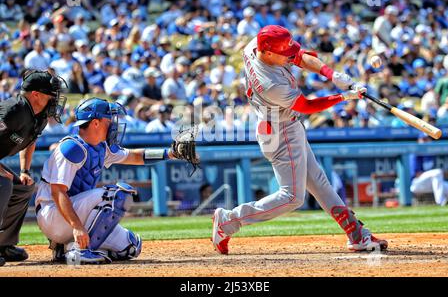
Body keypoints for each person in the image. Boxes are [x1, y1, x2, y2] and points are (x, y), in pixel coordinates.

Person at [212, 25, 388, 255]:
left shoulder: (255, 45)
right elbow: (305, 106)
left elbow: (301, 56)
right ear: (267, 53)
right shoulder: (270, 84)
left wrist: (332, 75)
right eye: (282, 54)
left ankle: (356, 234)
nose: (289, 57)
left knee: (319, 182)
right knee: (292, 197)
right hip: (279, 130)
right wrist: (343, 96)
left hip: (285, 124)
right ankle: (228, 220)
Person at [34, 98, 199, 264]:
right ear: (95, 123)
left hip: (72, 215)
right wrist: (76, 226)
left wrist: (171, 153)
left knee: (131, 246)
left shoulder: (100, 147)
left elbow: (135, 156)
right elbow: (58, 192)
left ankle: (65, 249)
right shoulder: (72, 148)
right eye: (109, 119)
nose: (113, 124)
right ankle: (80, 251)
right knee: (118, 195)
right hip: (53, 215)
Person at [0, 69, 66, 267]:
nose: (55, 99)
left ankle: (4, 244)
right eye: (51, 95)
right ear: (36, 95)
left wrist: (24, 171)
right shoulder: (14, 110)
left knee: (23, 187)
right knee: (3, 183)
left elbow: (30, 142)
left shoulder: (40, 115)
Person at [410, 133, 448, 206]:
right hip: (416, 184)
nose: (426, 141)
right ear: (418, 141)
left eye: (428, 139)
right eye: (424, 139)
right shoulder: (415, 154)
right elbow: (416, 174)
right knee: (437, 172)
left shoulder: (431, 154)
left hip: (431, 182)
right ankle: (440, 201)